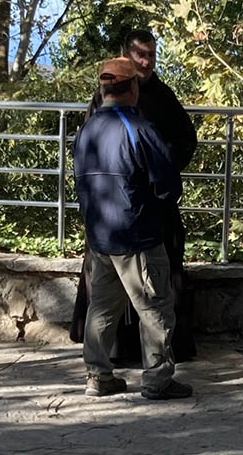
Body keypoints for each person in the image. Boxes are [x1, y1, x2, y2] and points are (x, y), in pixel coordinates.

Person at [71, 28, 200, 362]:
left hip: (123, 219)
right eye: (140, 55)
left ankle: (98, 371)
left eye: (151, 55)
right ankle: (152, 373)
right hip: (129, 222)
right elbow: (165, 179)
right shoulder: (130, 123)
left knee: (109, 303)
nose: (146, 62)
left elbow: (183, 142)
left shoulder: (161, 97)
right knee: (149, 304)